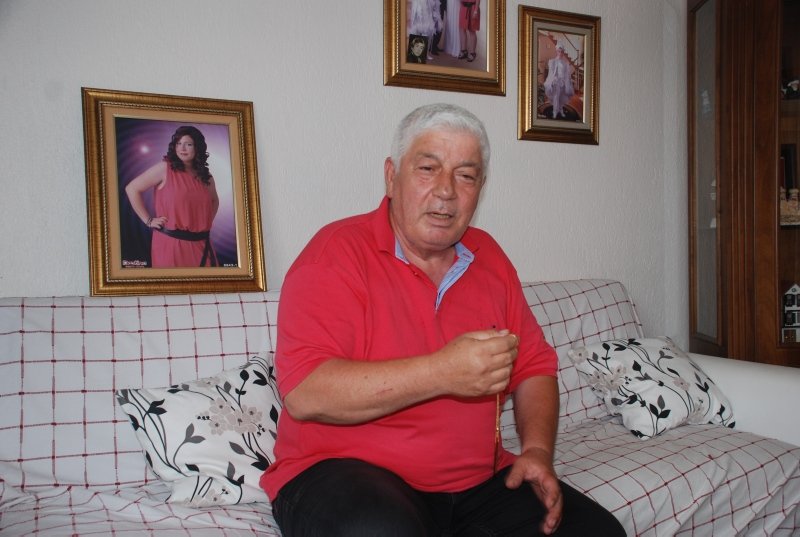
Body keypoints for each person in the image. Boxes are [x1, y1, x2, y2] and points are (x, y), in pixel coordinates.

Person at [260, 103, 626, 536]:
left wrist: (537, 451)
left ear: (480, 188)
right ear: (392, 176)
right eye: (428, 169)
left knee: (599, 532)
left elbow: (533, 366)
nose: (446, 191)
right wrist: (442, 372)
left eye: (465, 175)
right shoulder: (335, 254)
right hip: (339, 472)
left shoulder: (490, 257)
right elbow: (305, 393)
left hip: (476, 483)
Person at [125, 125, 219, 268]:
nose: (182, 148)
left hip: (202, 244)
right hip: (171, 245)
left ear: (197, 147)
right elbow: (132, 188)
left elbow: (214, 200)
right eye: (179, 143)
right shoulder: (165, 168)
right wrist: (148, 220)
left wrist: (203, 223)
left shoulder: (206, 176)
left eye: (188, 144)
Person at [544, 42, 575, 119]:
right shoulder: (553, 61)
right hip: (556, 82)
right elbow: (552, 73)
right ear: (557, 51)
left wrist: (567, 81)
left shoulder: (565, 63)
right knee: (556, 97)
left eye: (562, 52)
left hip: (563, 82)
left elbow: (566, 74)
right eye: (559, 51)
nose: (560, 53)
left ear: (563, 53)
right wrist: (553, 80)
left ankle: (560, 110)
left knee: (562, 97)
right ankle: (555, 111)